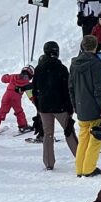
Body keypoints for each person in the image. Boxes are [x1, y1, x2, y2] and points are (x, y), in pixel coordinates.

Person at [70, 35, 101, 178]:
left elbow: (71, 87)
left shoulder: (74, 63)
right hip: (93, 107)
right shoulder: (96, 64)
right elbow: (99, 88)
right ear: (95, 46)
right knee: (95, 139)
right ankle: (89, 168)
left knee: (83, 138)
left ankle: (79, 168)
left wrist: (75, 105)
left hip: (81, 106)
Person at [32, 41, 77, 169]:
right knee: (69, 131)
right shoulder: (61, 68)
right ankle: (80, 157)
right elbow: (67, 90)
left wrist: (38, 106)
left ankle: (48, 163)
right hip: (60, 106)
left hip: (44, 107)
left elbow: (34, 89)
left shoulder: (39, 68)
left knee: (48, 134)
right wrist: (70, 107)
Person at [0, 67, 33, 135]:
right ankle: (23, 126)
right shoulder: (27, 84)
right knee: (19, 112)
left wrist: (5, 76)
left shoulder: (13, 76)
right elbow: (30, 95)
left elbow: (4, 79)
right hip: (16, 99)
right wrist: (34, 101)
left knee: (2, 112)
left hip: (6, 97)